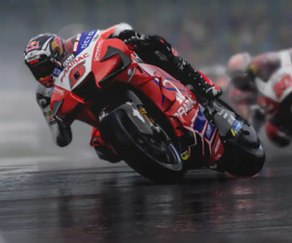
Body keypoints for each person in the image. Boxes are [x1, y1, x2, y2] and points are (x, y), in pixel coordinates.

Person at [24, 23, 222, 162]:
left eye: (45, 67)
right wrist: (55, 119)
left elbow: (117, 29)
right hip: (99, 110)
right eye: (36, 71)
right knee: (103, 149)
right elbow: (61, 139)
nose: (43, 74)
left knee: (152, 44)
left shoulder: (77, 43)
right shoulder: (45, 93)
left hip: (118, 75)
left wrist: (127, 35)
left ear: (58, 54)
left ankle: (199, 81)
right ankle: (150, 150)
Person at [226, 48, 292, 147]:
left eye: (242, 78)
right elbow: (245, 116)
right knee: (272, 131)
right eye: (237, 80)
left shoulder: (261, 63)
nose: (241, 82)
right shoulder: (237, 94)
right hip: (270, 108)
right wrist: (254, 117)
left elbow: (283, 55)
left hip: (282, 94)